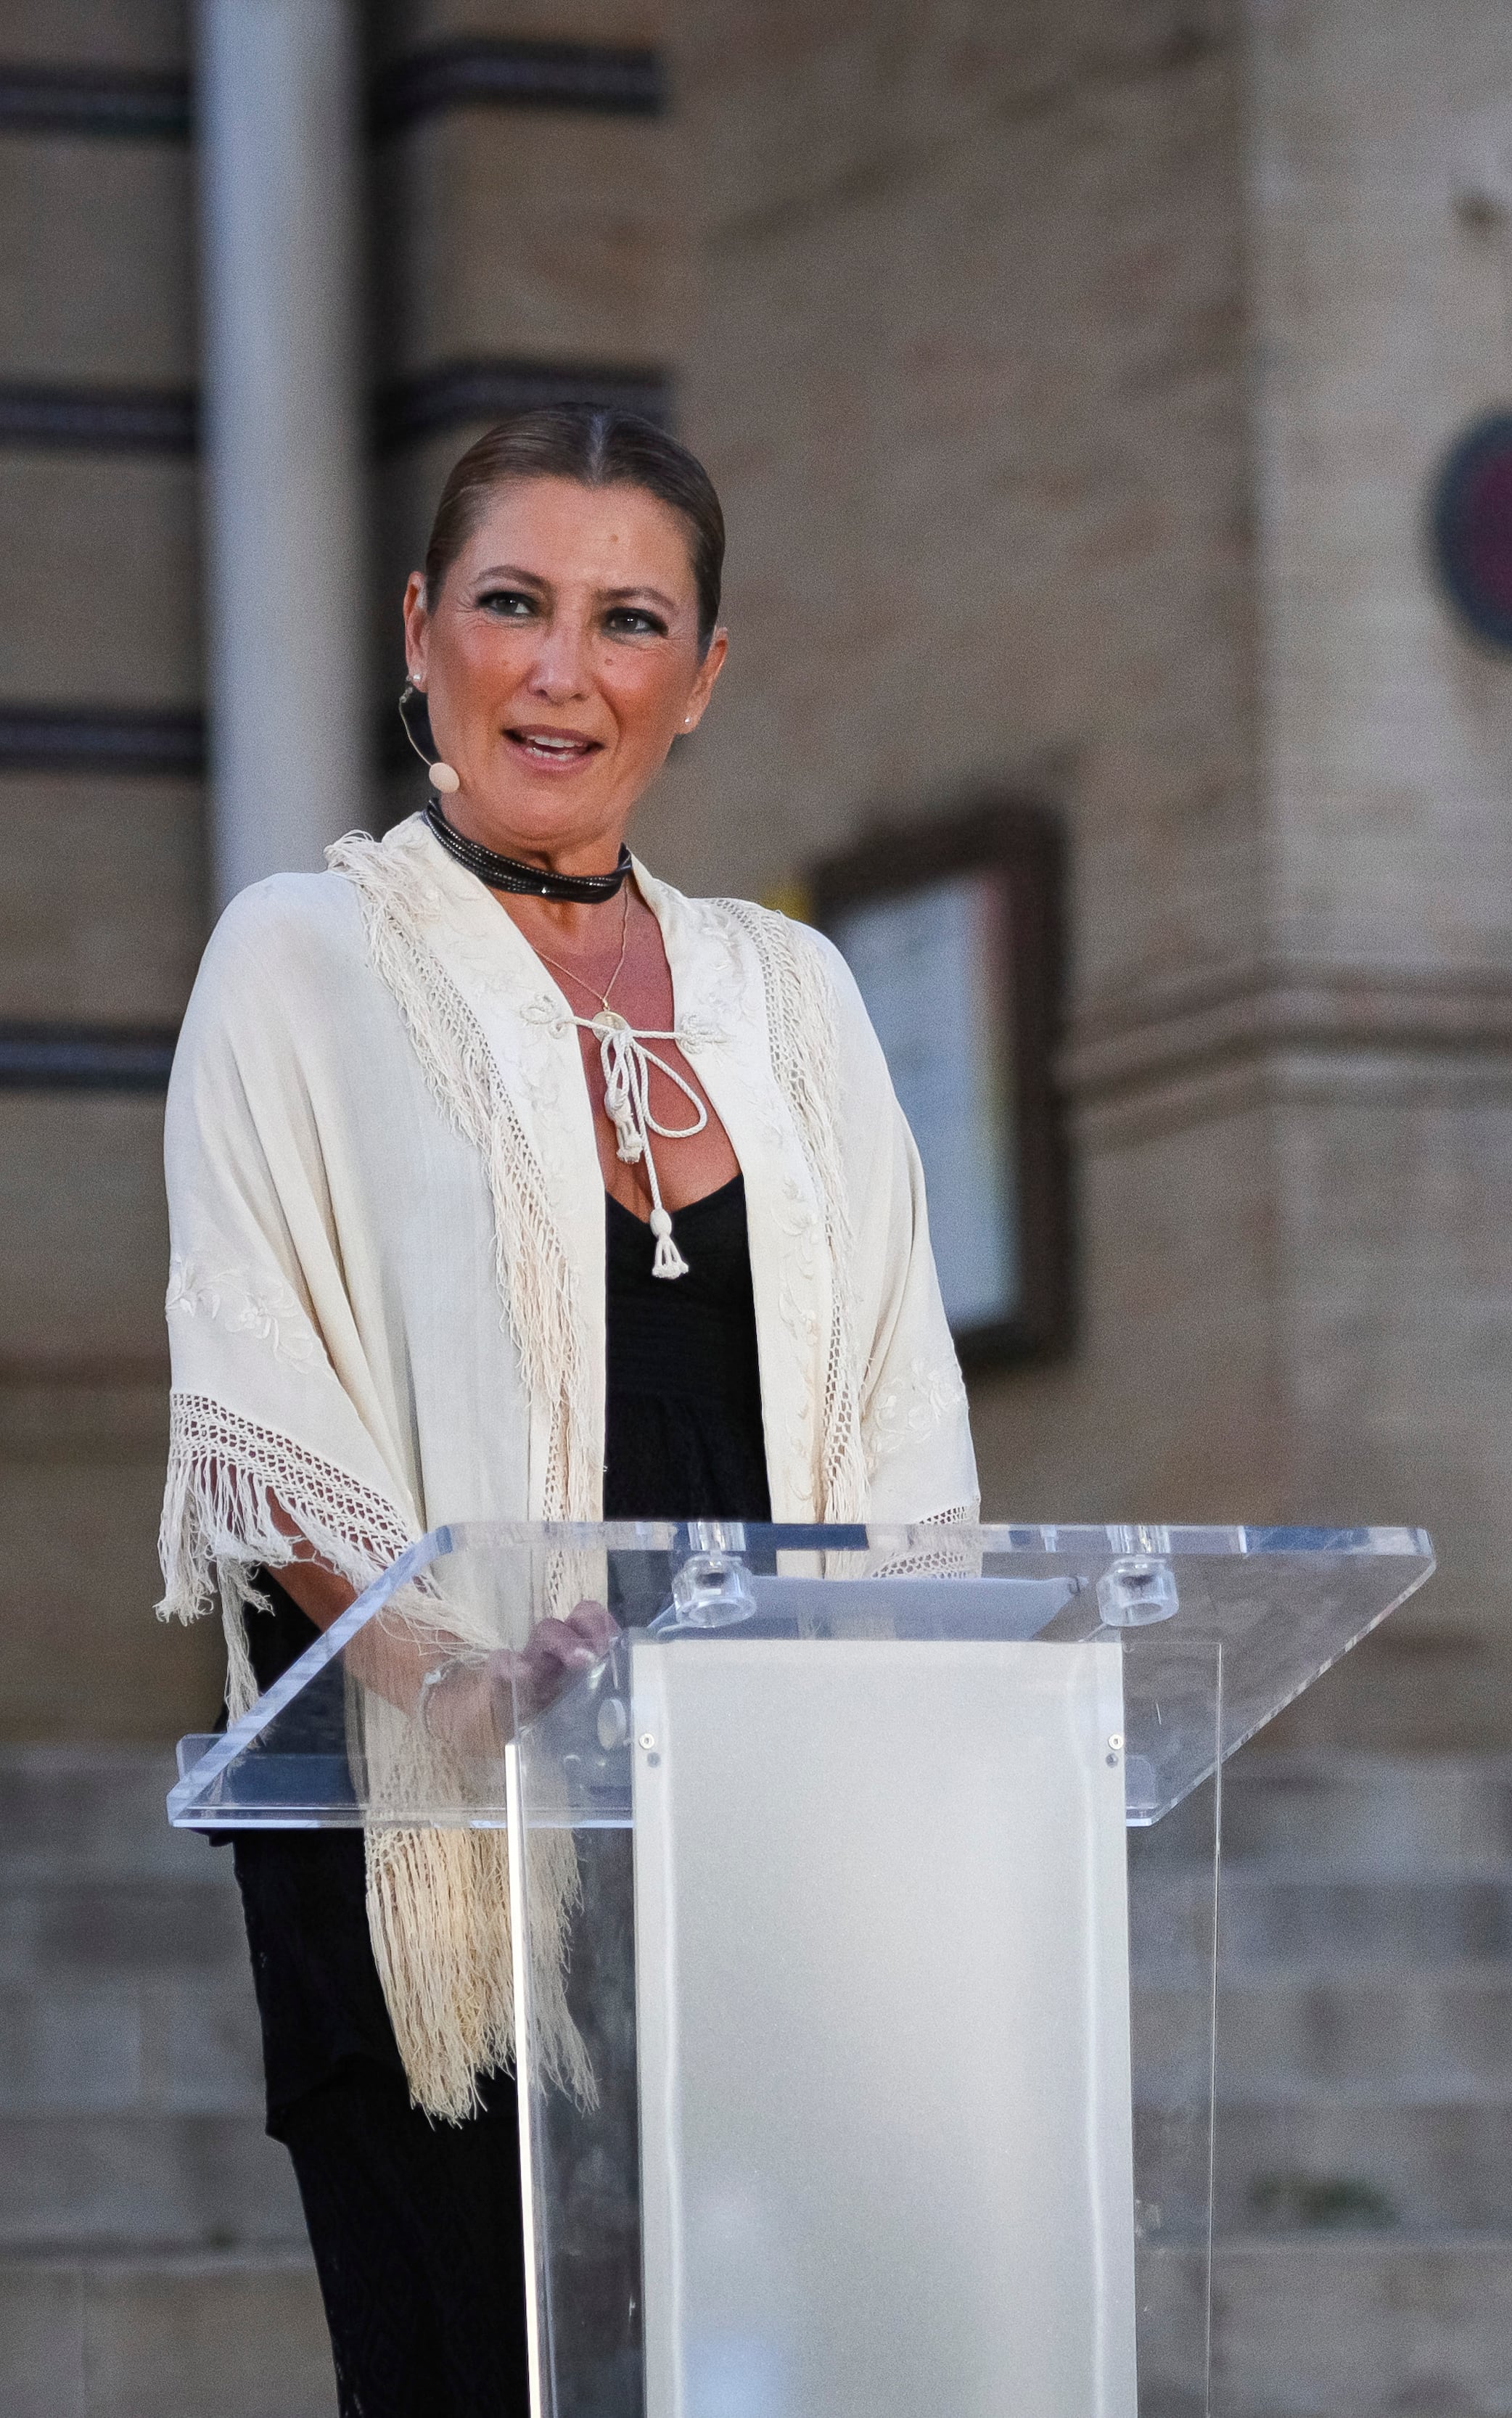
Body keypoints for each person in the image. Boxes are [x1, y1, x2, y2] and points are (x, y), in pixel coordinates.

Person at [157, 406, 979, 2414]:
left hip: (753, 1839)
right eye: (514, 603)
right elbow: (257, 1393)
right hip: (439, 1838)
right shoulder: (306, 956)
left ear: (700, 684)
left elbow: (895, 1406)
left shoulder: (791, 999)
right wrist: (458, 1669)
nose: (563, 667)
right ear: (422, 629)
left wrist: (873, 1702)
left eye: (631, 621)